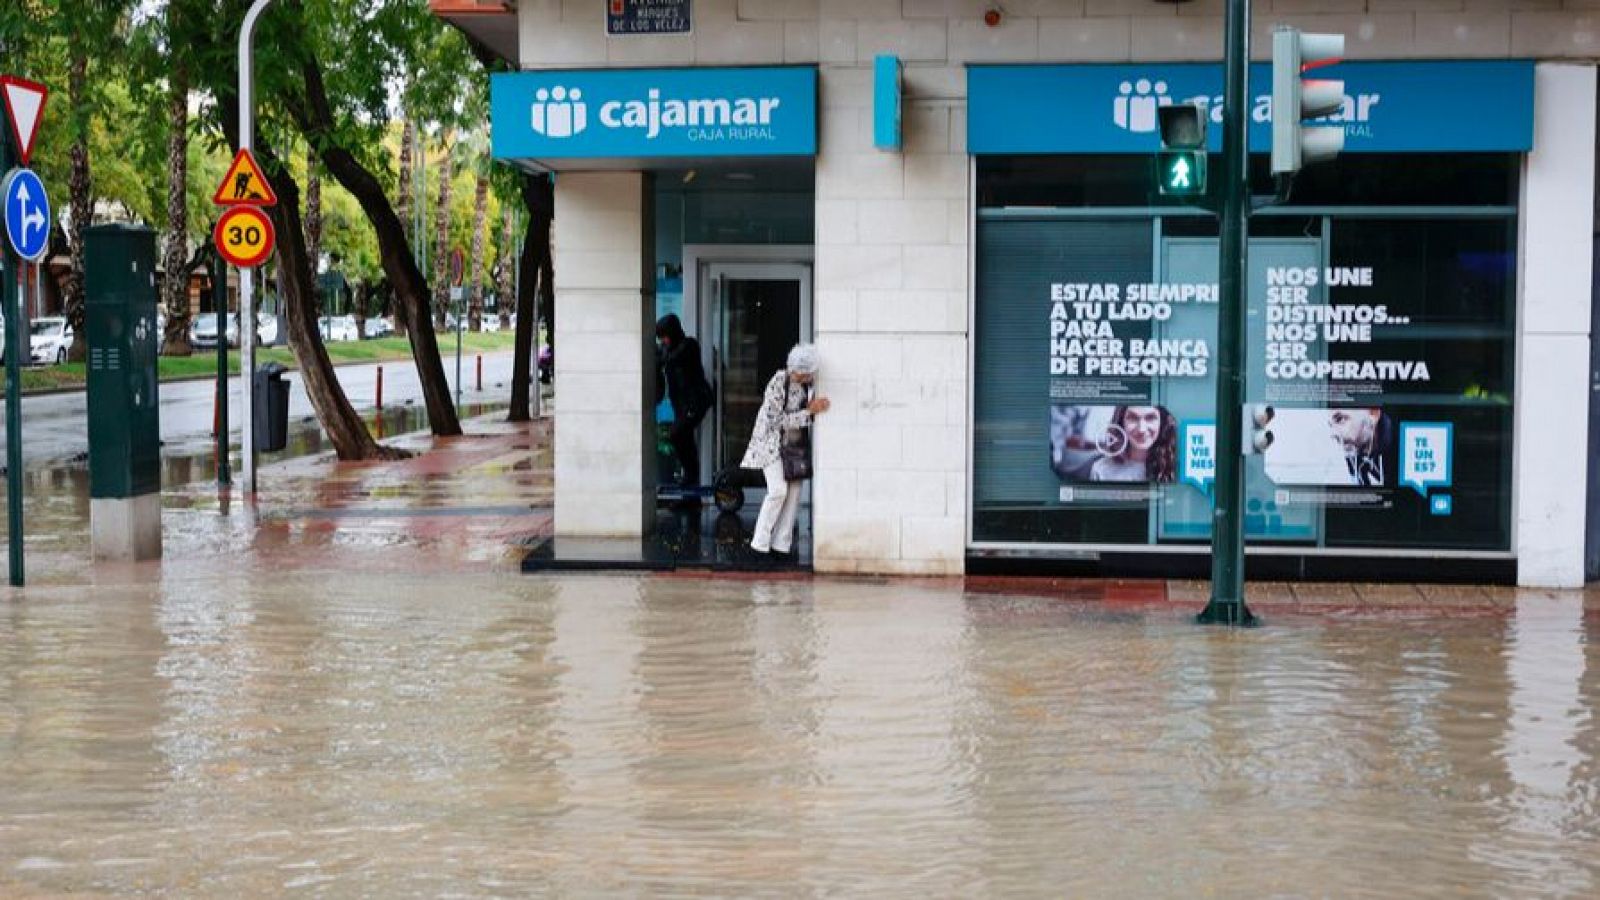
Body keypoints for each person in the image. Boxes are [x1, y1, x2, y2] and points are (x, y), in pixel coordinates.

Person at [742, 343, 830, 560]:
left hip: (792, 446)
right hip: (769, 444)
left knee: (794, 492)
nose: (811, 375)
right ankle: (759, 544)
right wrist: (808, 413)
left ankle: (781, 545)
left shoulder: (808, 386)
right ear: (797, 370)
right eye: (807, 372)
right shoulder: (778, 381)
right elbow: (775, 420)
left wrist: (809, 411)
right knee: (778, 490)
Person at [654, 314, 714, 495]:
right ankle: (690, 486)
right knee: (684, 439)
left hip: (695, 402)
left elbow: (671, 359)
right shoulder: (668, 349)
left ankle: (690, 476)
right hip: (681, 405)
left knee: (676, 433)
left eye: (665, 336)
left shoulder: (689, 345)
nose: (663, 341)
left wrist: (660, 354)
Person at [1089, 405, 1177, 483]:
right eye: (1133, 418)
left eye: (1150, 418)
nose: (1141, 429)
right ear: (1121, 422)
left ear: (1162, 423)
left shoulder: (1177, 467)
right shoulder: (1101, 469)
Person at [1328, 407, 1394, 486]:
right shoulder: (1354, 450)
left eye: (1340, 419)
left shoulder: (1403, 446)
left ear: (1373, 413)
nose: (1333, 434)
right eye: (1331, 425)